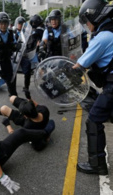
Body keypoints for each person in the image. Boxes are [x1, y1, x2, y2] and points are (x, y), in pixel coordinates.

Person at [72, 0, 113, 175]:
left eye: (86, 21)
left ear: (94, 16)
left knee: (94, 120)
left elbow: (79, 66)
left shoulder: (103, 37)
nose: (87, 26)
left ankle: (97, 165)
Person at [0, 12, 21, 112]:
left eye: (5, 23)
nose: (3, 25)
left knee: (11, 81)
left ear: (8, 24)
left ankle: (16, 101)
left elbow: (14, 44)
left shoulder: (11, 33)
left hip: (7, 60)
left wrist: (17, 46)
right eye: (1, 23)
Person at [14, 16, 34, 93]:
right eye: (19, 23)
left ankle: (26, 86)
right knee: (12, 71)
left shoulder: (26, 33)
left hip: (23, 55)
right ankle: (12, 87)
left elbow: (30, 43)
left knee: (27, 69)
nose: (20, 25)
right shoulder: (12, 33)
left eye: (22, 23)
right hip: (14, 55)